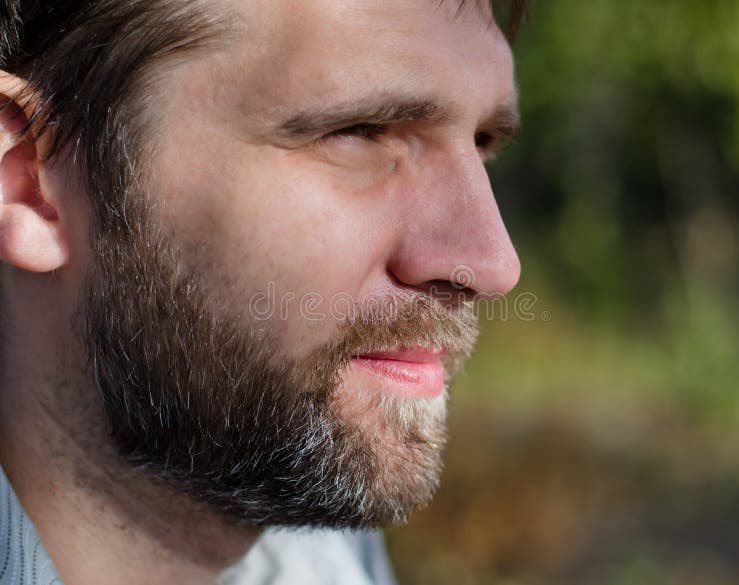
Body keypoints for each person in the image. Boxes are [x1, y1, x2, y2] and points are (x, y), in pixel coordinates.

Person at [0, 0, 524, 583]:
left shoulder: (337, 563)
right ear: (27, 181)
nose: (492, 264)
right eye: (358, 132)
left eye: (481, 142)